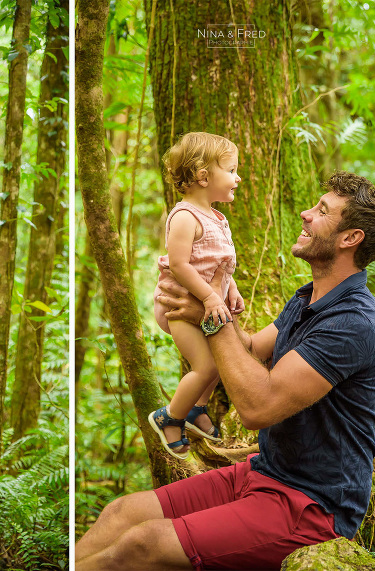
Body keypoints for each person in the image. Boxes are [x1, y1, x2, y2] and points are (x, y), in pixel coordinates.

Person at [76, 171, 375, 570]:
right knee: (121, 514)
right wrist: (206, 295)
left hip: (313, 504)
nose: (304, 214)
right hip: (262, 473)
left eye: (321, 211)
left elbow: (256, 408)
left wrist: (212, 318)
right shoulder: (308, 299)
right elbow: (247, 345)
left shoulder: (353, 321)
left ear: (350, 238)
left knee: (144, 544)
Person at [150, 132, 245, 459]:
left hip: (207, 305)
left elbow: (220, 264)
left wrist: (229, 289)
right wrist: (209, 297)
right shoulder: (185, 217)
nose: (238, 177)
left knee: (217, 364)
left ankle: (196, 410)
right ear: (204, 177)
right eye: (232, 170)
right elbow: (178, 264)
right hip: (178, 308)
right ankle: (169, 418)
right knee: (204, 367)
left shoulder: (218, 219)